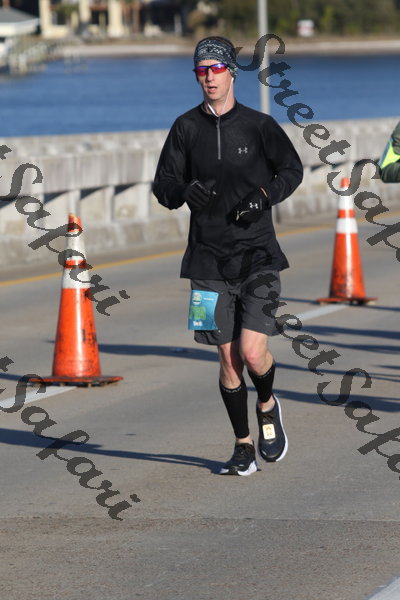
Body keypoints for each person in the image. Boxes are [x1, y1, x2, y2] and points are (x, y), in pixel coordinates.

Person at [153, 36, 303, 476]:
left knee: (253, 353)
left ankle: (268, 406)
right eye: (201, 71)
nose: (208, 78)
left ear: (231, 73)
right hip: (205, 262)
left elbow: (292, 170)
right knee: (226, 359)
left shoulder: (259, 126)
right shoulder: (184, 128)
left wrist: (264, 196)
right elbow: (163, 186)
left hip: (259, 257)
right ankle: (242, 445)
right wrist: (184, 191)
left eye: (216, 69)